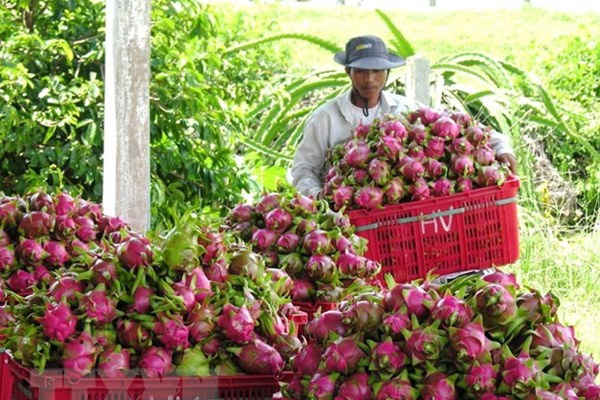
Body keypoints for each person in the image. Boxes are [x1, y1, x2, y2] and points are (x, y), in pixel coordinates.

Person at [290, 35, 518, 199]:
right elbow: (302, 169)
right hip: (347, 217)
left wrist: (502, 147)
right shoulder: (325, 118)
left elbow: (459, 126)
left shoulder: (406, 109)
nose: (370, 79)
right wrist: (320, 195)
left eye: (377, 71)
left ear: (388, 73)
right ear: (347, 72)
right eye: (360, 71)